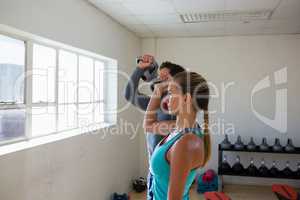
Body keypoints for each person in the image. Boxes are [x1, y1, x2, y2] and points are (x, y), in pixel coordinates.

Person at [124, 55, 185, 199]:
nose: (159, 79)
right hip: (153, 170)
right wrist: (140, 69)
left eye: (165, 77)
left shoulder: (179, 104)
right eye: (159, 76)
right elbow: (129, 95)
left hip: (170, 172)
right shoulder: (154, 103)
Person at [143, 71, 211, 200]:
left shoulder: (186, 143)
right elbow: (148, 125)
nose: (167, 98)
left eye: (171, 93)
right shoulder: (178, 128)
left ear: (186, 98)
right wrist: (159, 89)